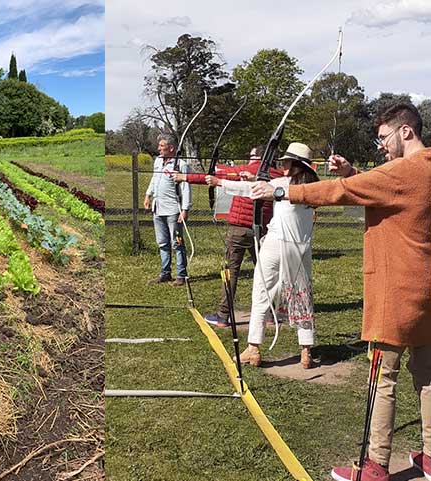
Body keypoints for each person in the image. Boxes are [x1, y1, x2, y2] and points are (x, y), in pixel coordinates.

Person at [251, 103, 431, 481]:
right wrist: (354, 172)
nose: (381, 145)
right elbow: (388, 189)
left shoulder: (402, 171)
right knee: (428, 376)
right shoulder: (424, 168)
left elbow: (342, 190)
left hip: (395, 294)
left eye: (384, 138)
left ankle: (376, 466)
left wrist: (280, 190)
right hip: (425, 294)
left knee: (383, 379)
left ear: (406, 132)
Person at [173, 145, 283, 327]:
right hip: (263, 230)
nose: (249, 158)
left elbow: (212, 178)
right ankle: (270, 314)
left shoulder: (245, 170)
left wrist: (183, 177)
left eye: (251, 155)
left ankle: (223, 315)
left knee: (231, 271)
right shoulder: (278, 176)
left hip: (239, 230)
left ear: (258, 158)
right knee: (266, 272)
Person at [144, 134, 192, 286]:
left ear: (171, 148)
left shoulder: (180, 165)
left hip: (173, 210)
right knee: (162, 243)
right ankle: (165, 273)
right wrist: (148, 195)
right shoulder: (158, 161)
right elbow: (154, 179)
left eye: (162, 146)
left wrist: (184, 209)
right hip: (158, 209)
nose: (159, 148)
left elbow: (186, 188)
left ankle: (181, 274)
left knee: (177, 243)